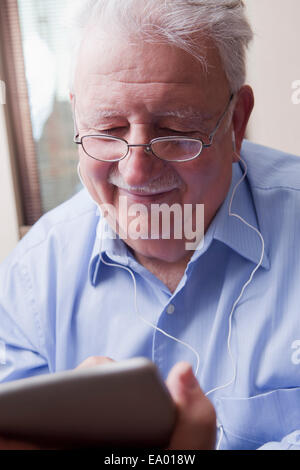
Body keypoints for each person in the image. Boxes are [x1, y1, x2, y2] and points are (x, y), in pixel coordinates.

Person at [0, 0, 300, 450]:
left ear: (236, 124)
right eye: (107, 129)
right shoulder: (33, 278)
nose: (136, 173)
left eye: (177, 131)